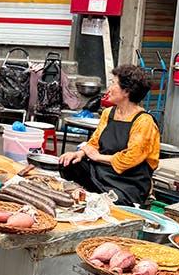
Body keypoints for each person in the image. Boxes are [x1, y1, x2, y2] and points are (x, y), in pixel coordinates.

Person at [58, 64, 160, 206]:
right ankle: (90, 193)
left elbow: (131, 158)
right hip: (102, 171)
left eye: (113, 84)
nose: (109, 89)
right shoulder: (108, 113)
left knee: (116, 200)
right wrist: (81, 153)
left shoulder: (144, 121)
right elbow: (94, 142)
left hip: (128, 181)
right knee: (69, 163)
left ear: (126, 91)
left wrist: (98, 157)